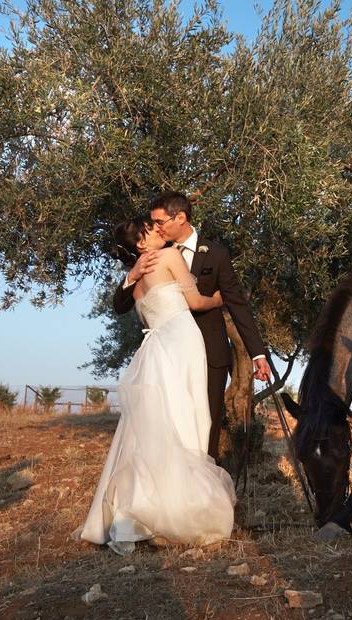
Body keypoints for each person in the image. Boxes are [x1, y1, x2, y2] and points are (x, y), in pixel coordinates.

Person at [75, 219, 237, 554]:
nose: (158, 231)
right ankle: (181, 510)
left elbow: (132, 306)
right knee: (187, 417)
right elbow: (193, 302)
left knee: (151, 429)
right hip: (181, 342)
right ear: (140, 243)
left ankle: (140, 509)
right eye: (150, 229)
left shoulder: (135, 283)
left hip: (153, 351)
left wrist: (132, 275)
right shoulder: (169, 256)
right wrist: (220, 299)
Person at [113, 191, 270, 462]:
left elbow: (238, 305)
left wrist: (258, 354)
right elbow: (120, 305)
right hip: (168, 359)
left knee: (204, 427)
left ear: (181, 218)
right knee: (169, 426)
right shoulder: (150, 259)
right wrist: (131, 275)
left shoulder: (217, 254)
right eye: (152, 224)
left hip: (210, 355)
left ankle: (202, 495)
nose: (156, 227)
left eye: (159, 222)